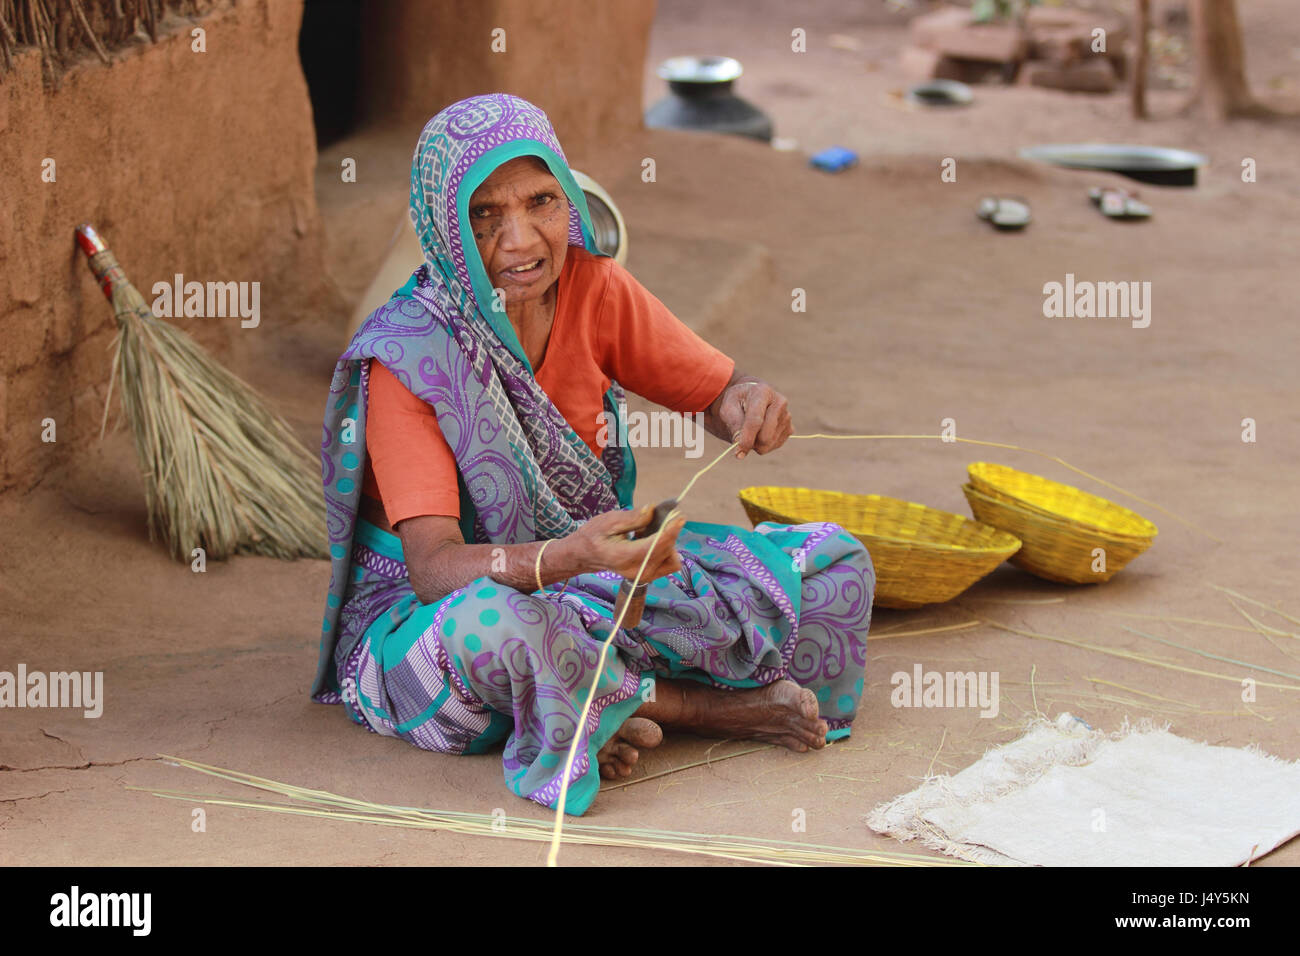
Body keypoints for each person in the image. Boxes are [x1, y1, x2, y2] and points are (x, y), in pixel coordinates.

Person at [314, 93, 875, 815]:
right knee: (504, 631)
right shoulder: (408, 355)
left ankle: (592, 703)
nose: (520, 241)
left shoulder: (594, 287)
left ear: (568, 197)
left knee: (832, 567)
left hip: (602, 577)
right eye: (486, 214)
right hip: (445, 613)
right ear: (446, 225)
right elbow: (432, 571)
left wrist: (748, 398)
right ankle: (698, 709)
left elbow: (716, 389)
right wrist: (570, 559)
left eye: (541, 201)